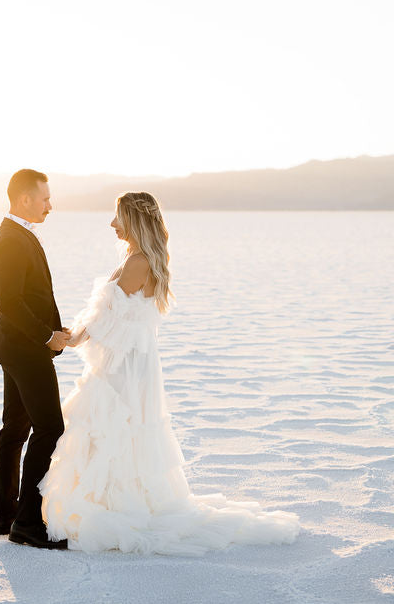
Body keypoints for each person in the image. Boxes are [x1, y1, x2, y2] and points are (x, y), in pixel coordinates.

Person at [39, 191, 302, 554]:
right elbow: (111, 316)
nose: (112, 224)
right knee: (118, 431)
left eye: (118, 218)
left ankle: (117, 506)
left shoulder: (138, 263)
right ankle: (114, 499)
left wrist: (71, 341)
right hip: (133, 361)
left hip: (124, 368)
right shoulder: (139, 258)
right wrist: (77, 334)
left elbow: (107, 319)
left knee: (115, 428)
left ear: (134, 220)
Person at [0, 169, 71, 549]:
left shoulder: (17, 235)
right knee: (49, 429)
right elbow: (10, 303)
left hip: (19, 347)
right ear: (24, 200)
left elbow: (29, 298)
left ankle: (8, 514)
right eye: (45, 198)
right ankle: (28, 524)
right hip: (25, 349)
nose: (50, 205)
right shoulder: (9, 240)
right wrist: (46, 336)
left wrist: (56, 330)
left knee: (16, 429)